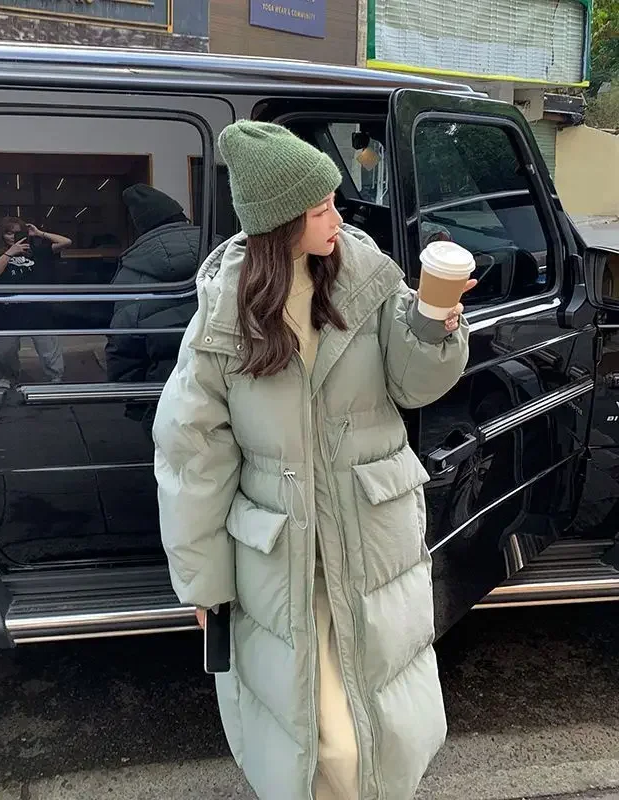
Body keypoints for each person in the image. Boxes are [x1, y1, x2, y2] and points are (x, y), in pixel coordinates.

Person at [152, 122, 474, 800]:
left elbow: (415, 384)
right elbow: (192, 457)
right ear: (279, 223)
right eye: (321, 207)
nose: (338, 216)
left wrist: (433, 323)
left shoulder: (363, 275)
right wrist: (204, 583)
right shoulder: (223, 314)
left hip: (368, 543)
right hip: (282, 561)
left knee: (378, 731)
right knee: (324, 742)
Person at [105, 184, 212, 438]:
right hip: (231, 386)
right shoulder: (222, 250)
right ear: (181, 215)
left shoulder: (129, 274)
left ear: (141, 228)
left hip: (166, 393)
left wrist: (138, 403)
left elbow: (122, 346)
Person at [0, 217, 72, 386]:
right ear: (1, 235)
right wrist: (10, 252)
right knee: (3, 351)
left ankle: (55, 378)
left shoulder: (36, 251)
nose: (14, 237)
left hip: (36, 306)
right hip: (6, 310)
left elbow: (66, 242)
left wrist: (39, 233)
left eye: (18, 233)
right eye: (9, 233)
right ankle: (9, 376)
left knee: (48, 347)